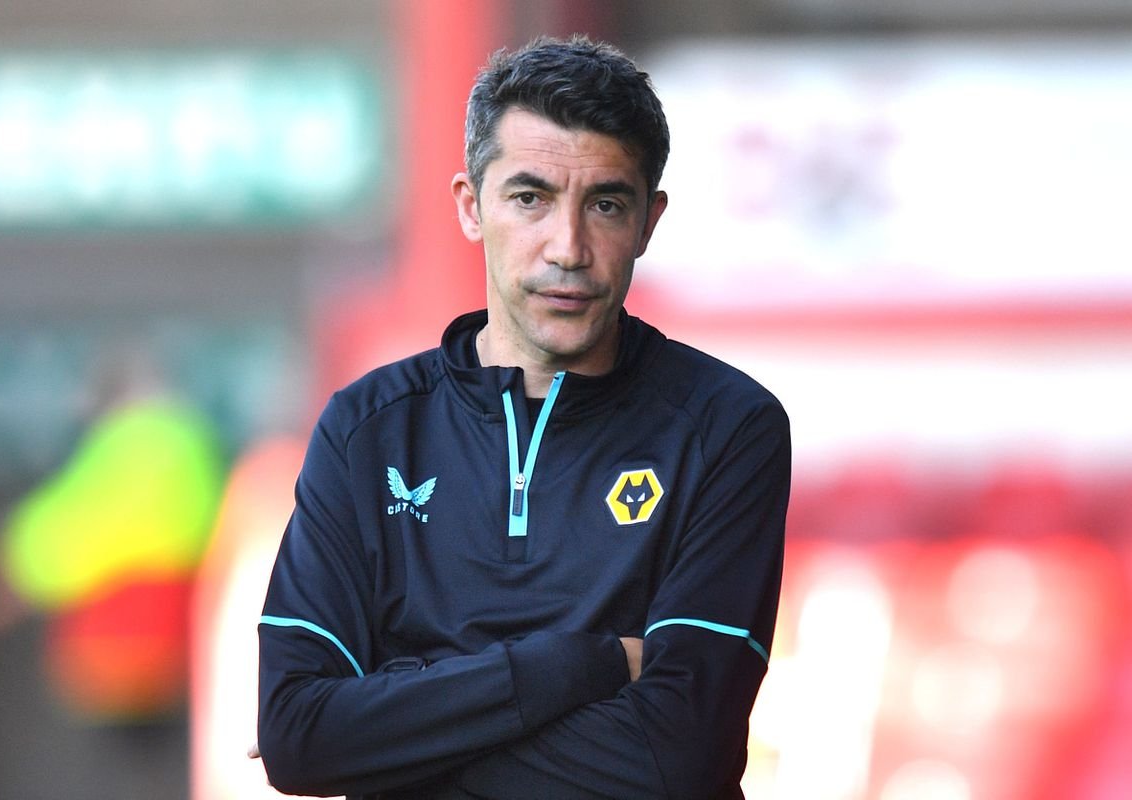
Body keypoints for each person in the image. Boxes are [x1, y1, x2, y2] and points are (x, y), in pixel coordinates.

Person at [256, 35, 790, 799]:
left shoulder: (727, 428)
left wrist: (396, 718)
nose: (567, 247)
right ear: (470, 207)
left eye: (605, 204)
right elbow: (300, 737)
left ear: (649, 222)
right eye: (530, 198)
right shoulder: (366, 429)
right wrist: (584, 664)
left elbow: (677, 760)